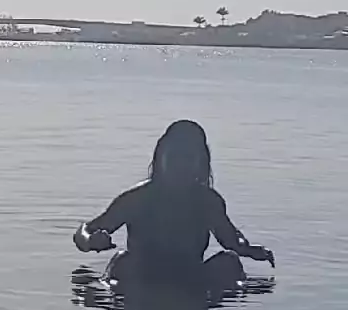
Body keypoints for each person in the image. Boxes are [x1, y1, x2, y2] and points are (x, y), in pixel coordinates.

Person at [73, 120, 274, 292]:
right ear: (160, 156)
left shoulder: (208, 201)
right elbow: (84, 232)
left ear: (200, 162)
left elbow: (231, 240)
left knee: (229, 262)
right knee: (122, 261)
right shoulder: (137, 198)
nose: (180, 165)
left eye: (188, 158)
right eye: (174, 156)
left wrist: (250, 249)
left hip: (191, 277)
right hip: (144, 276)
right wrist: (91, 240)